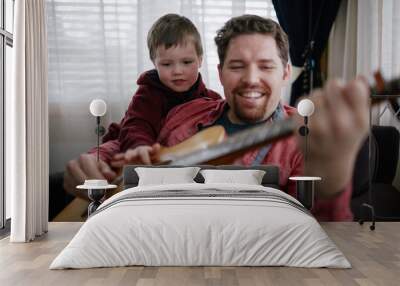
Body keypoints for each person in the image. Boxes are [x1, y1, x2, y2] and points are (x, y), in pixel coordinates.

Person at [113, 15, 369, 221]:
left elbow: (322, 229)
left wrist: (333, 181)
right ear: (220, 73)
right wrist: (103, 158)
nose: (251, 80)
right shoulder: (184, 113)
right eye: (237, 66)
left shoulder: (308, 140)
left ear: (286, 73)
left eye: (266, 66)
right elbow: (134, 138)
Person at [54, 14, 220, 217]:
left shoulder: (213, 101)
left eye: (187, 62)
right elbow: (136, 125)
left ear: (200, 60)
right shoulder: (148, 92)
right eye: (167, 64)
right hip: (128, 150)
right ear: (154, 63)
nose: (178, 71)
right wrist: (140, 147)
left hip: (172, 173)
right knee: (56, 185)